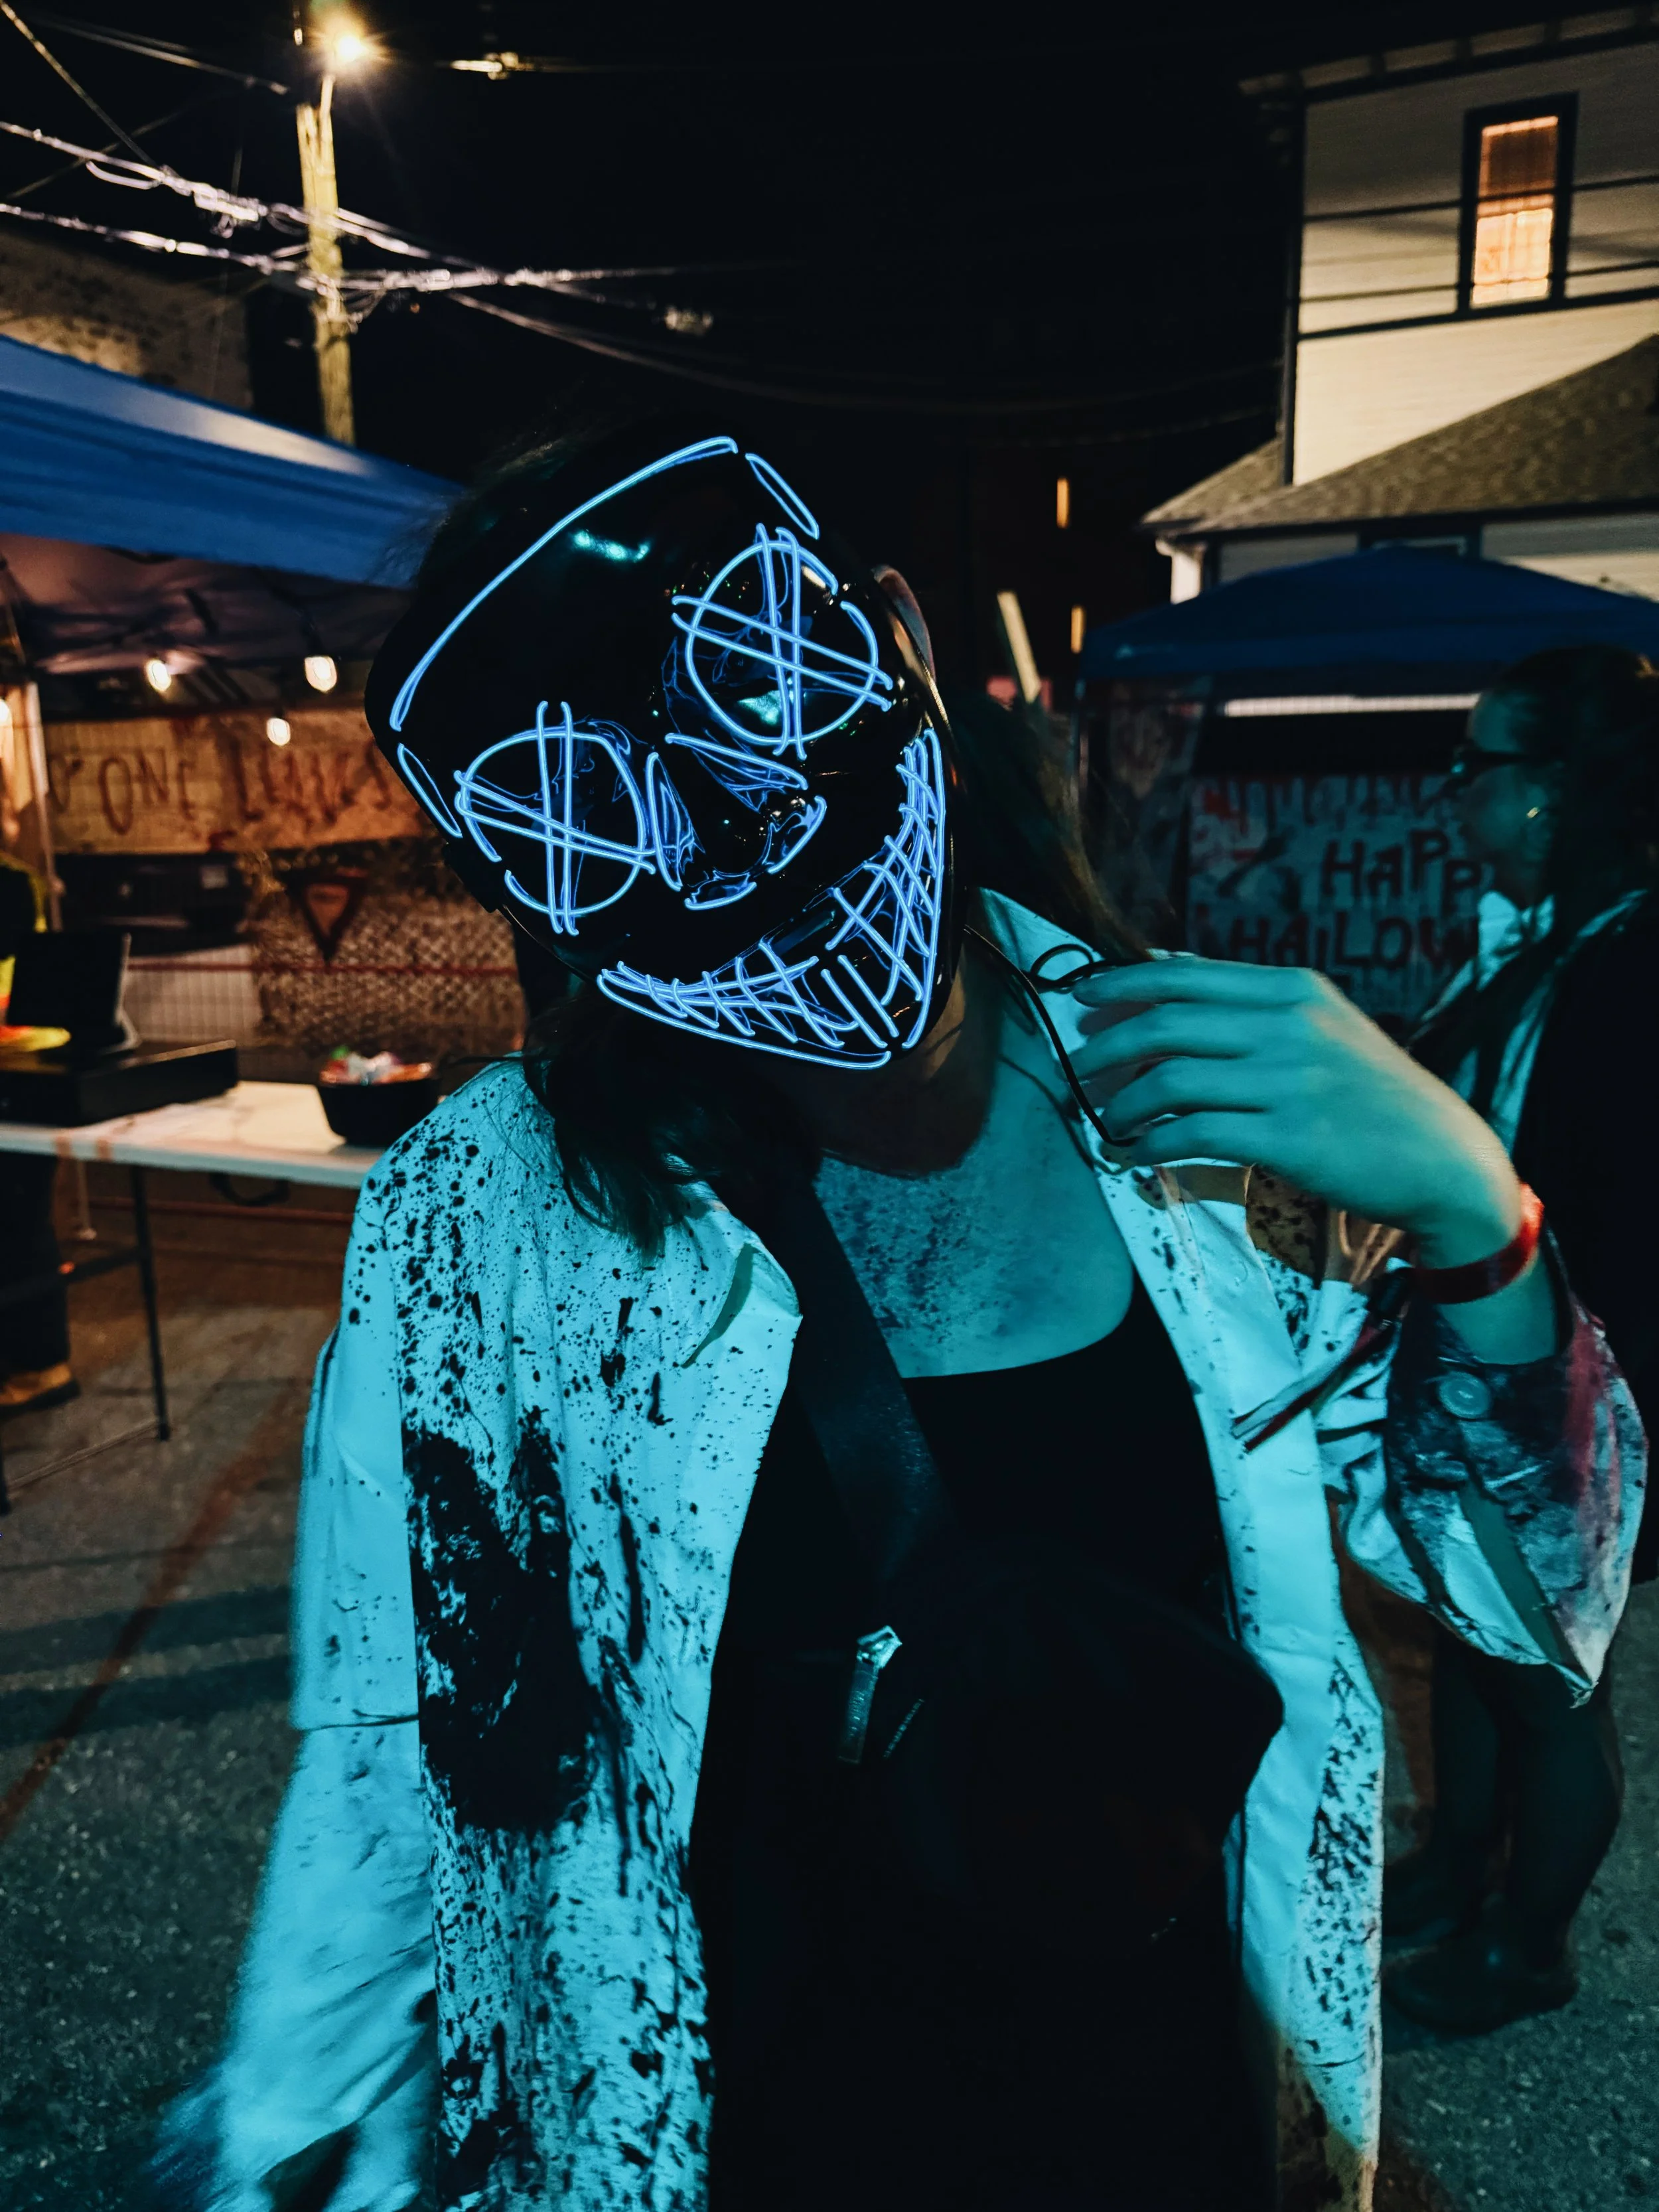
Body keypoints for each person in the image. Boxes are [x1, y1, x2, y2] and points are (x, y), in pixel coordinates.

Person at [155, 421, 1642, 2212]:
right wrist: (288, 2141)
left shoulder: (1206, 1106)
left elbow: (1528, 1602)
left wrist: (1476, 1215)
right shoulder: (484, 1221)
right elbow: (392, 1758)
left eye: (751, 676)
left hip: (1157, 2092)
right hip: (729, 2121)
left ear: (896, 635)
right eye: (588, 807)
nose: (736, 825)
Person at [1384, 644, 1659, 2033]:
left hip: (1575, 1395)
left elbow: (1613, 1215)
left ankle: (1529, 1943)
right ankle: (1457, 1868)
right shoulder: (1556, 940)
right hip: (1496, 1370)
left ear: (1551, 787)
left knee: (1548, 1676)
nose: (1456, 791)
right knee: (1471, 1635)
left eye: (1475, 764)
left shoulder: (1628, 966)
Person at [0, 778, 73, 1416]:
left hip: (23, 1072)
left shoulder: (11, 882)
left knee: (18, 1224)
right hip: (23, 1068)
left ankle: (42, 1365)